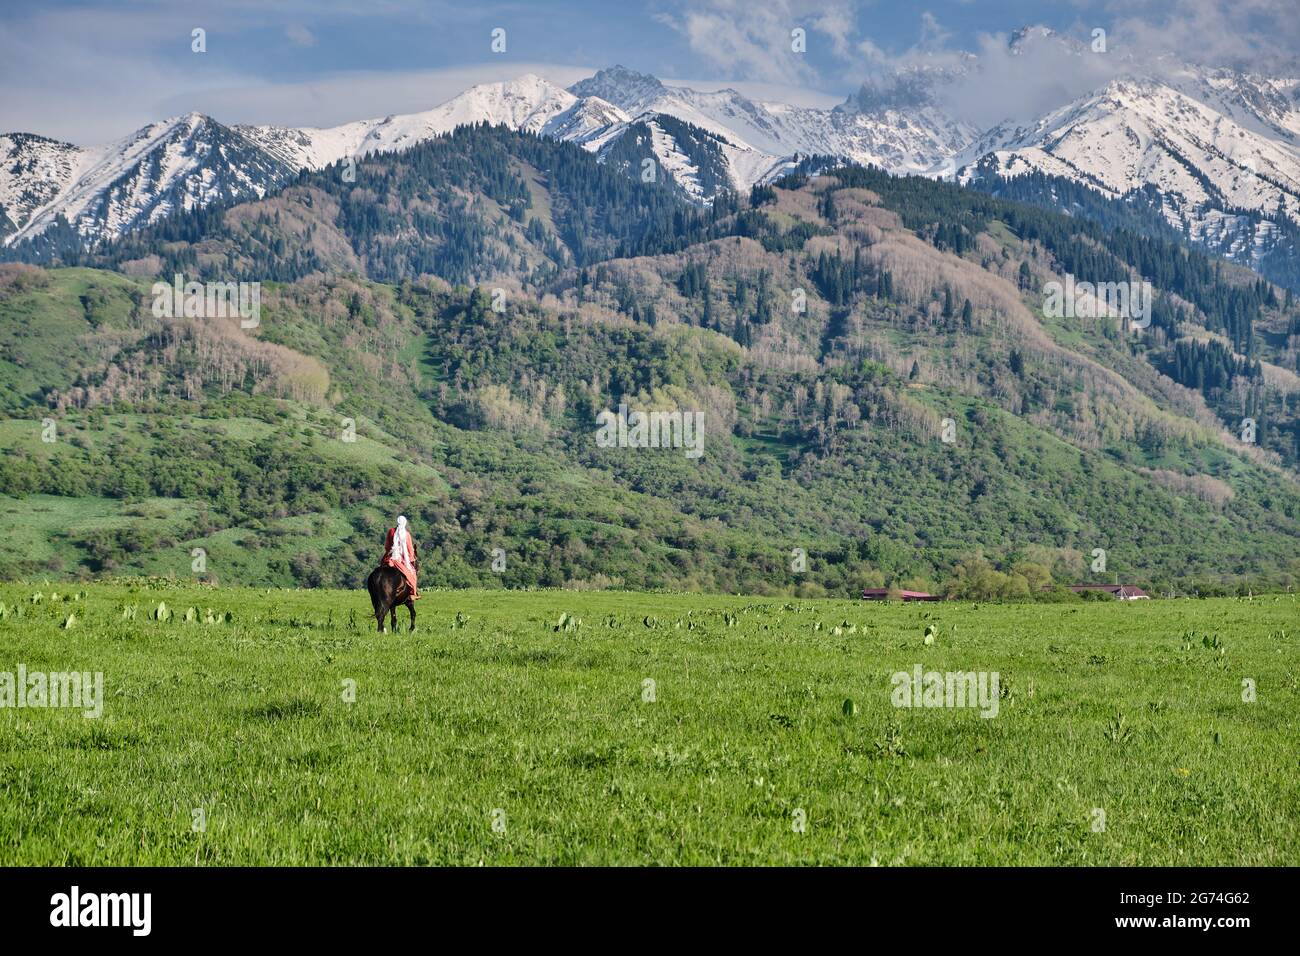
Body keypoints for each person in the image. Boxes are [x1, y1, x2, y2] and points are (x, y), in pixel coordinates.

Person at [381, 515, 419, 600]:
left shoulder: (391, 531)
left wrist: (389, 551)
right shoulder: (407, 534)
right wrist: (411, 560)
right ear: (405, 523)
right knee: (412, 574)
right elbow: (410, 549)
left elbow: (387, 546)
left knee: (381, 566)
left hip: (390, 557)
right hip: (400, 559)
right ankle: (413, 593)